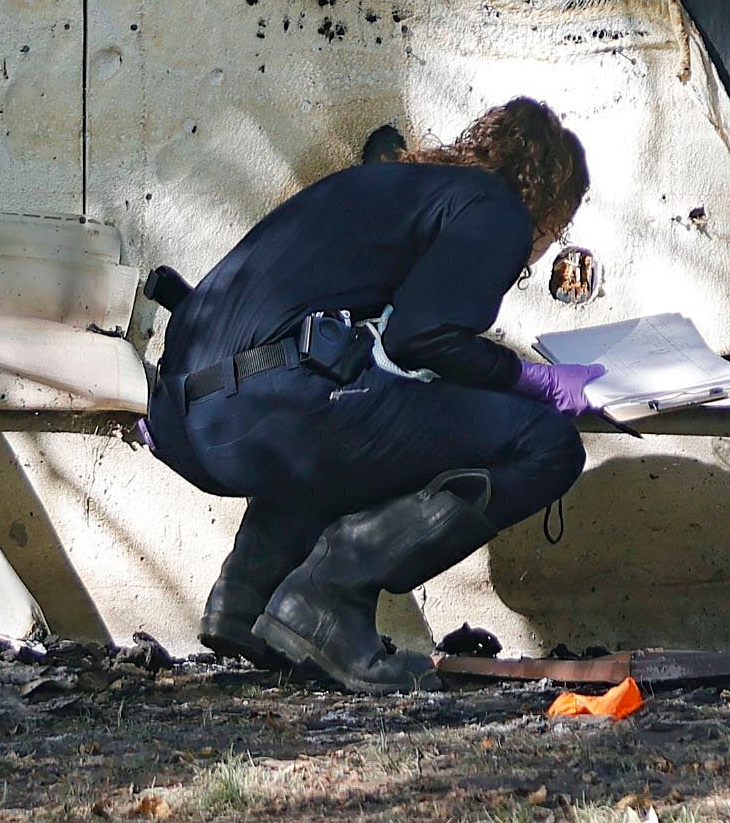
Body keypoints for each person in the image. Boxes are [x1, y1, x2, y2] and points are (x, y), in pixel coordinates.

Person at [144, 99, 609, 691]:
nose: (548, 242)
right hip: (262, 408)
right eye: (558, 227)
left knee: (356, 418)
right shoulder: (498, 211)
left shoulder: (386, 186)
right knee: (547, 445)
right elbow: (423, 336)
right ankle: (330, 599)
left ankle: (248, 596)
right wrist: (537, 381)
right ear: (547, 202)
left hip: (187, 418)